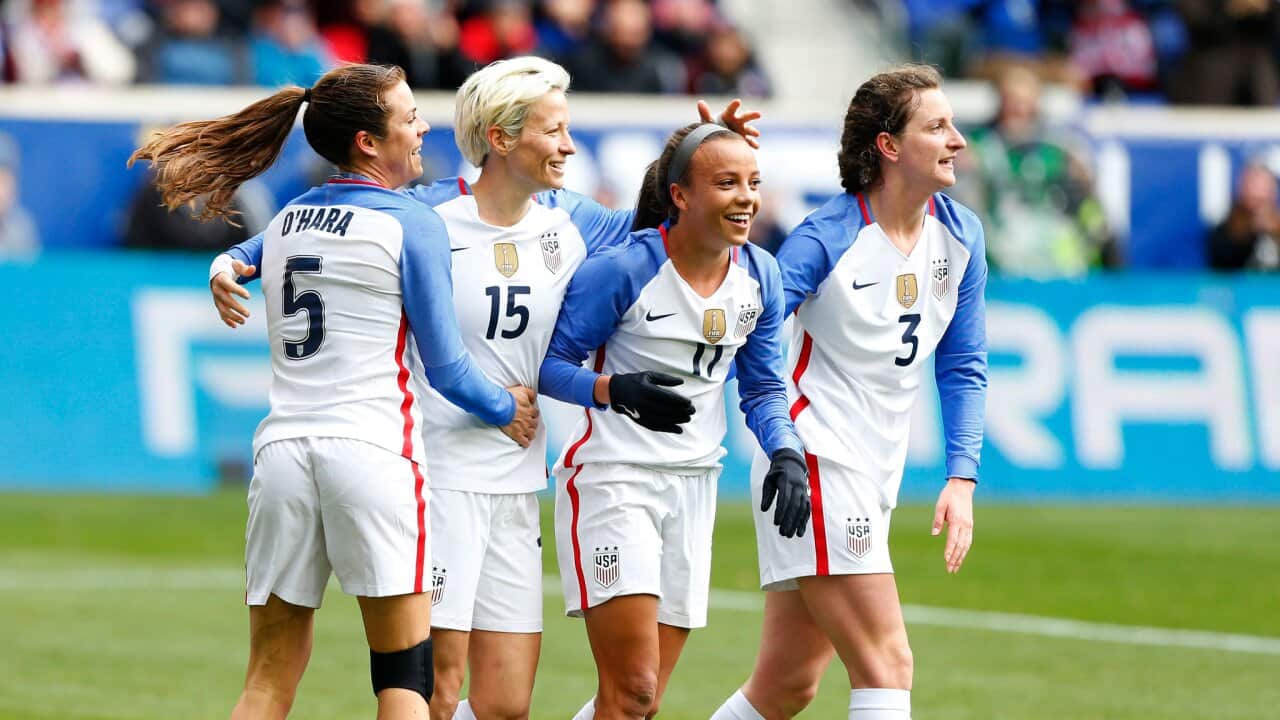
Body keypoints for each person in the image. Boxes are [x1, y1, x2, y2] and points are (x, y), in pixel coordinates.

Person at [208, 55, 762, 720]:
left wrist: (692, 151)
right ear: (501, 138)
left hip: (516, 478)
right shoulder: (426, 211)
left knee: (503, 703)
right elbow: (325, 224)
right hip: (433, 474)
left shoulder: (574, 220)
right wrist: (236, 256)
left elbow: (662, 226)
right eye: (553, 131)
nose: (567, 146)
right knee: (432, 688)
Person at [132, 62, 539, 719]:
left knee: (266, 680)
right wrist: (507, 407)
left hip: (283, 457)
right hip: (373, 454)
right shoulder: (413, 225)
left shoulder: (293, 217)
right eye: (409, 118)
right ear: (367, 143)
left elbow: (246, 253)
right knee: (404, 679)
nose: (423, 126)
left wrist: (224, 263)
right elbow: (447, 369)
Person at [710, 64, 988, 720]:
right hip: (816, 464)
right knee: (888, 664)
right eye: (938, 126)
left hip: (872, 472)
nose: (959, 141)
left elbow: (963, 363)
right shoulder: (826, 240)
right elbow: (751, 327)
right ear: (889, 147)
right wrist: (778, 436)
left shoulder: (962, 236)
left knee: (786, 686)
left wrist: (963, 477)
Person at [539, 122, 811, 720]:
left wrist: (787, 451)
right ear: (681, 195)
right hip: (614, 479)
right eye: (726, 183)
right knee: (633, 688)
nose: (746, 197)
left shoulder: (760, 275)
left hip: (695, 485)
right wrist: (614, 389)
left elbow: (764, 387)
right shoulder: (622, 269)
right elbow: (550, 367)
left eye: (752, 183)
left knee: (644, 700)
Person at [1206, 163, 1280, 271]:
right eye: (1253, 186)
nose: (1258, 195)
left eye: (1264, 188)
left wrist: (1276, 232)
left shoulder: (1276, 225)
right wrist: (1251, 231)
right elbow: (1221, 262)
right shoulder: (1228, 228)